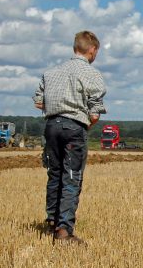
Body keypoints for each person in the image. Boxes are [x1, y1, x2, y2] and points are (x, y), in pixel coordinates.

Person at [33, 30, 107, 244]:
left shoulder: (51, 73)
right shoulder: (92, 74)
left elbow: (38, 101)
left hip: (51, 126)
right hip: (74, 127)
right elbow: (95, 112)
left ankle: (51, 221)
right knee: (72, 177)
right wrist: (84, 125)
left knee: (54, 174)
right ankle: (64, 230)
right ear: (92, 50)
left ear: (75, 47)